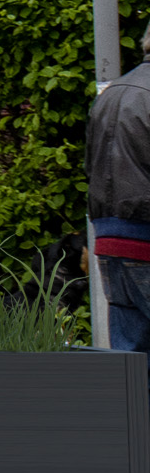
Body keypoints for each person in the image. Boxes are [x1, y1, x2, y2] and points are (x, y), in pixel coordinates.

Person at [90, 59, 150, 364]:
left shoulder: (111, 93)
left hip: (110, 240)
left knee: (130, 361)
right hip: (144, 234)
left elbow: (91, 166)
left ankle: (133, 413)